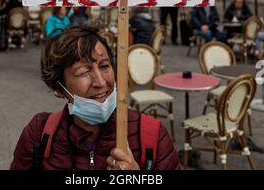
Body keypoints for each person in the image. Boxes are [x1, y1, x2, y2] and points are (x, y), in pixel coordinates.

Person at [10, 27, 180, 170]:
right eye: (84, 72)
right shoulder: (38, 135)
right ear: (59, 88)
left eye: (105, 66)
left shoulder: (152, 136)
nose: (100, 81)